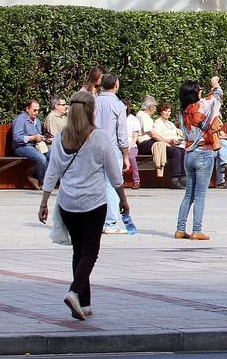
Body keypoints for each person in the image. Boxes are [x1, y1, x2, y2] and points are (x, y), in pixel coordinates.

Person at [37, 90, 129, 320]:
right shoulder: (99, 137)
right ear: (91, 110)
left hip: (68, 203)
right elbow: (114, 174)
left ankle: (85, 303)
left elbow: (52, 171)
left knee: (79, 251)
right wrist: (123, 199)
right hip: (93, 203)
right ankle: (75, 291)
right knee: (91, 252)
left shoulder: (60, 136)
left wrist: (44, 202)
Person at [176, 80, 221, 241]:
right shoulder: (202, 105)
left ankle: (180, 229)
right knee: (200, 194)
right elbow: (218, 96)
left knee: (189, 194)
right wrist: (215, 83)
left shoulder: (183, 111)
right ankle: (197, 230)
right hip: (204, 152)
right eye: (199, 89)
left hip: (188, 153)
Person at [94, 74, 130, 235]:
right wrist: (126, 155)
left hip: (93, 148)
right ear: (115, 85)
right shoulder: (118, 105)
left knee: (95, 184)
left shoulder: (92, 102)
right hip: (111, 149)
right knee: (112, 184)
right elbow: (122, 133)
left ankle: (95, 221)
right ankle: (110, 222)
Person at [12, 99, 50, 188]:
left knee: (52, 155)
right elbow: (16, 137)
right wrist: (32, 138)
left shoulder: (37, 120)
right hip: (21, 147)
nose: (37, 113)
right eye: (34, 110)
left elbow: (38, 135)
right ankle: (41, 181)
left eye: (38, 110)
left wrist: (44, 139)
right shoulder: (20, 119)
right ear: (27, 109)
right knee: (42, 159)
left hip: (35, 146)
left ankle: (34, 173)